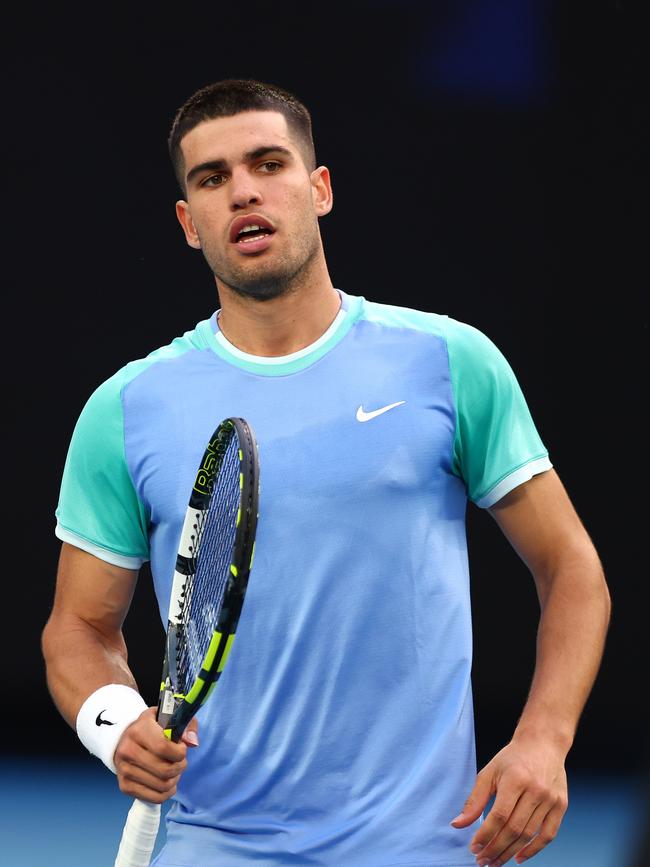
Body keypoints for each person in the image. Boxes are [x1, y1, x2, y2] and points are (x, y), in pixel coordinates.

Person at [42, 79, 611, 867]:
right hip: (213, 844)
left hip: (423, 848)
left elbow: (572, 567)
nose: (243, 189)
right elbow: (78, 627)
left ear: (319, 190)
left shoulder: (449, 362)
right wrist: (114, 722)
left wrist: (544, 738)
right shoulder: (127, 407)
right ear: (188, 223)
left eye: (268, 163)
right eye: (211, 178)